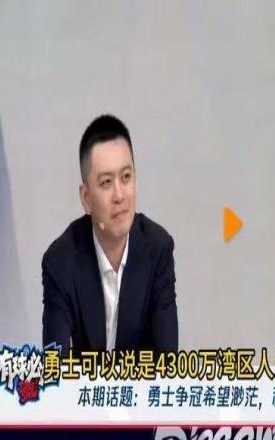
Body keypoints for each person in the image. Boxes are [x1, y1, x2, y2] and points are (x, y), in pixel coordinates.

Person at [42, 115, 178, 356]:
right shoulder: (61, 261)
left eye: (126, 177)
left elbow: (167, 361)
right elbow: (54, 362)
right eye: (106, 182)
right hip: (85, 382)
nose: (119, 195)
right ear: (86, 198)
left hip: (140, 382)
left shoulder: (157, 249)